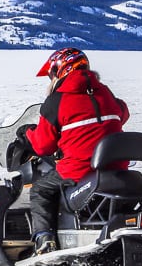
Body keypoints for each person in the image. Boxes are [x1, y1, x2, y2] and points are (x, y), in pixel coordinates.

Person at [18, 48, 130, 255]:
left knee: (40, 190)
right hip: (115, 167)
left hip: (79, 169)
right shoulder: (105, 92)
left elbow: (43, 146)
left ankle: (44, 239)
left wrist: (28, 133)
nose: (50, 79)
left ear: (59, 71)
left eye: (51, 74)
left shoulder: (57, 100)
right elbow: (122, 112)